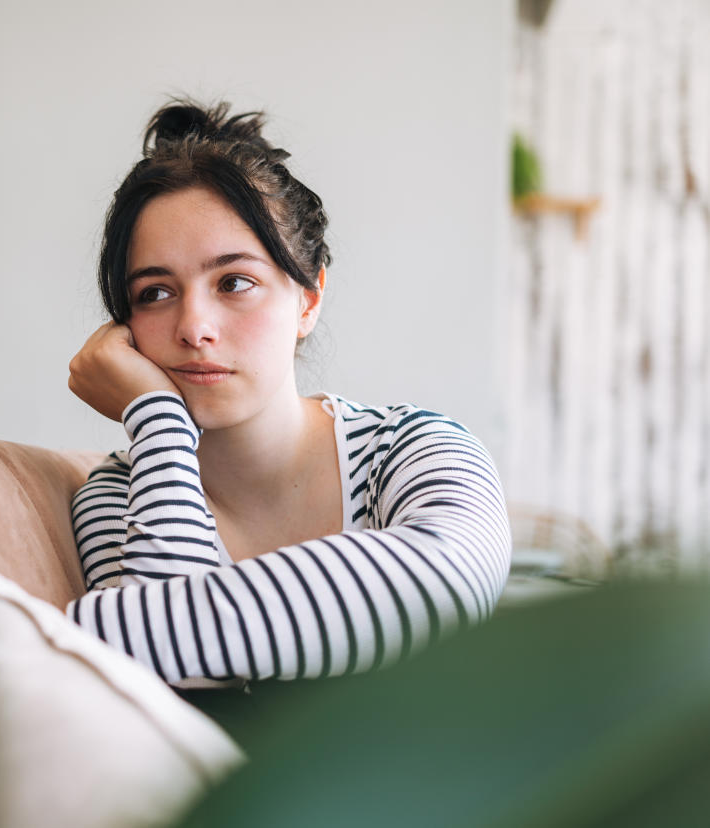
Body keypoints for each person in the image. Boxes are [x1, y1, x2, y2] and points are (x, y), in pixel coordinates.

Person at [62, 99, 512, 706]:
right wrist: (157, 418)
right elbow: (179, 696)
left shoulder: (415, 452)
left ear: (308, 297)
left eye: (234, 282)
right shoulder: (120, 495)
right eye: (156, 292)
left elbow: (448, 585)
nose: (194, 327)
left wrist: (76, 633)